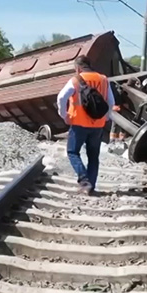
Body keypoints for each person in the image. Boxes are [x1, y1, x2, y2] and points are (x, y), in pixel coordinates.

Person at [56, 55, 115, 195]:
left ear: (78, 68)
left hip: (78, 124)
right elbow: (111, 102)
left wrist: (65, 116)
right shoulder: (103, 79)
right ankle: (91, 186)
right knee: (93, 156)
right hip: (98, 125)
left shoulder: (75, 80)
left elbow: (61, 97)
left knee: (72, 152)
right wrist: (106, 117)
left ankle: (84, 180)